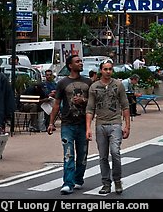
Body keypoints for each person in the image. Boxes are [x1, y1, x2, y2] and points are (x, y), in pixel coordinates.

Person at [47, 55, 92, 195]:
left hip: (83, 123)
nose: (80, 63)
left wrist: (82, 101)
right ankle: (68, 183)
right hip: (67, 124)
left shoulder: (88, 82)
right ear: (70, 66)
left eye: (80, 61)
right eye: (77, 61)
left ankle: (79, 179)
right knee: (68, 154)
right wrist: (51, 123)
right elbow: (56, 103)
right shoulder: (62, 83)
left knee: (82, 154)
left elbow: (93, 103)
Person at [86, 59, 130, 195]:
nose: (108, 71)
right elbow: (90, 108)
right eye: (105, 69)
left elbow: (125, 105)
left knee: (115, 152)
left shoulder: (118, 85)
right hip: (100, 124)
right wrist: (88, 128)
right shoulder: (94, 87)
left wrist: (127, 126)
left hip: (115, 123)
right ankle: (106, 183)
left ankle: (117, 180)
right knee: (103, 156)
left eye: (110, 69)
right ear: (101, 70)